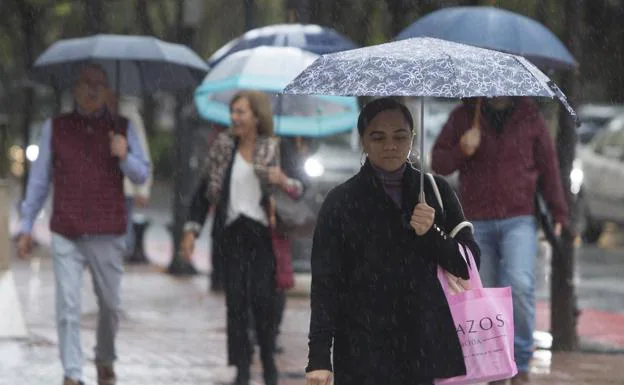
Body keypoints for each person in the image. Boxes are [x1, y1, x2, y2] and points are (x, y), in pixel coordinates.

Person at [305, 97, 480, 385]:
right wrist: (319, 358)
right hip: (361, 348)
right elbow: (325, 284)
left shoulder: (437, 192)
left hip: (423, 345)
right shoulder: (340, 202)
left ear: (412, 138)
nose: (390, 145)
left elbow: (467, 263)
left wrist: (432, 233)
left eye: (400, 136)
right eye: (378, 137)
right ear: (362, 140)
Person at [17, 63, 151, 385]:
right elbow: (38, 181)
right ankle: (72, 373)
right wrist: (26, 225)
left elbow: (142, 173)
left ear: (107, 90)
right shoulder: (56, 127)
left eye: (99, 84)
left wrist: (124, 155)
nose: (92, 90)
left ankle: (105, 356)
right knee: (68, 305)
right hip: (67, 230)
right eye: (86, 83)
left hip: (108, 231)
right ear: (74, 88)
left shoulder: (122, 127)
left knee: (110, 305)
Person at [431, 96, 569, 385]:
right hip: (476, 220)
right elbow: (439, 163)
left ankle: (519, 362)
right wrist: (462, 150)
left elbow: (549, 165)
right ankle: (496, 363)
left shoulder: (529, 116)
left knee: (520, 285)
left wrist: (559, 211)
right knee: (485, 295)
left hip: (519, 216)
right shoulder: (464, 115)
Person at [180, 90, 304, 385]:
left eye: (241, 112)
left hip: (264, 237)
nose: (234, 118)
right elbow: (203, 193)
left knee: (265, 304)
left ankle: (269, 364)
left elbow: (303, 190)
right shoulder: (224, 148)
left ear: (257, 116)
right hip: (232, 235)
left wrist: (283, 180)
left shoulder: (277, 148)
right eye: (233, 112)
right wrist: (191, 230)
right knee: (236, 305)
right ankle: (242, 369)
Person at [107, 95, 153, 260]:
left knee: (122, 241)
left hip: (123, 186)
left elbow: (142, 153)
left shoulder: (128, 115)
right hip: (95, 189)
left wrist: (143, 189)